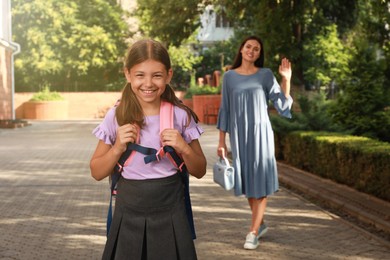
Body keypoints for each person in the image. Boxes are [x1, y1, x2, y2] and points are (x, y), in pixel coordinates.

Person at [90, 39, 207, 259]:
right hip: (128, 210)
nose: (148, 83)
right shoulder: (116, 116)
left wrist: (184, 148)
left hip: (171, 210)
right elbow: (96, 172)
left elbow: (200, 170)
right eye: (140, 75)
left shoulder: (180, 116)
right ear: (128, 75)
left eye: (157, 75)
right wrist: (117, 148)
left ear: (169, 75)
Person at [216, 35, 293, 250]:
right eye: (248, 46)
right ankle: (260, 223)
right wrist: (222, 141)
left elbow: (282, 105)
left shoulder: (265, 75)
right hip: (240, 137)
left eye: (256, 49)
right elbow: (225, 110)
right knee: (249, 182)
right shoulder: (229, 77)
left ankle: (252, 232)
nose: (251, 50)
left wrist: (286, 79)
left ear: (259, 54)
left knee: (260, 183)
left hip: (261, 135)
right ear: (241, 50)